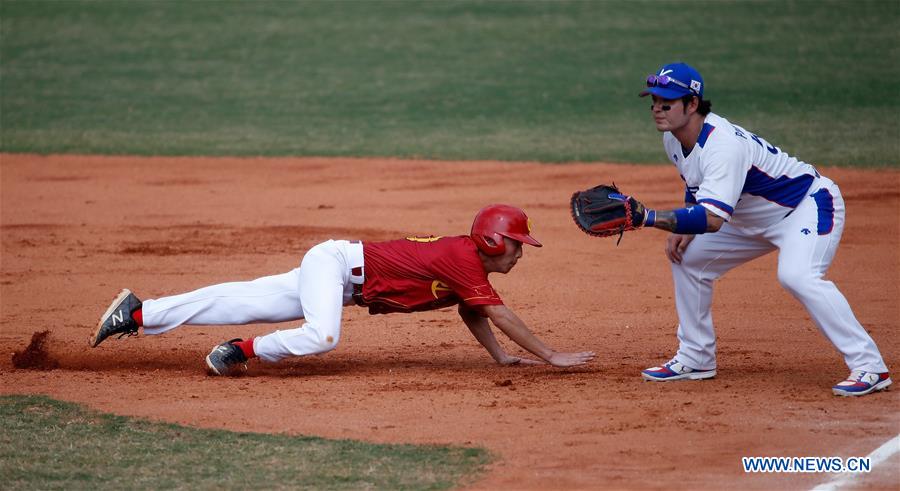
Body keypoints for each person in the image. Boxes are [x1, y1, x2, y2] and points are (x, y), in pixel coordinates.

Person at [90, 204, 595, 375]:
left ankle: (137, 315)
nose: (520, 253)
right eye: (516, 244)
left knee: (242, 301)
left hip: (337, 276)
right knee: (322, 336)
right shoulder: (463, 258)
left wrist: (500, 359)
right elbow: (499, 314)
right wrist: (550, 355)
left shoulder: (469, 270)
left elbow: (473, 313)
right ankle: (238, 352)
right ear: (491, 241)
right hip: (334, 267)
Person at [633, 62, 890, 396]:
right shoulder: (673, 138)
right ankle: (696, 357)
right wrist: (686, 220)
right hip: (747, 221)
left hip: (804, 208)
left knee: (797, 276)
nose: (657, 108)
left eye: (666, 102)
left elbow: (711, 219)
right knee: (688, 257)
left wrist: (649, 217)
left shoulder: (723, 144)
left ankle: (870, 366)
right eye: (653, 100)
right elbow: (696, 183)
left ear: (692, 104)